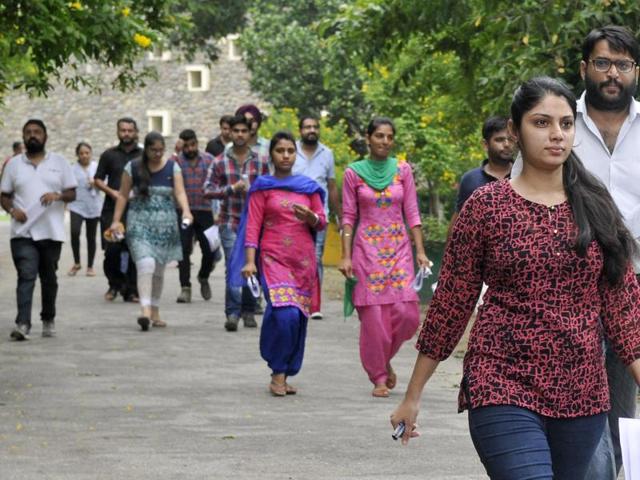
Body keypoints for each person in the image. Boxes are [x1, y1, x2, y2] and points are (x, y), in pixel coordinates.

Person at [391, 77, 640, 479]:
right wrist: (412, 395)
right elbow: (452, 304)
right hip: (501, 381)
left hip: (582, 393)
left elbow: (624, 310)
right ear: (515, 129)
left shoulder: (596, 207)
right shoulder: (486, 207)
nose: (556, 134)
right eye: (541, 123)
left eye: (565, 124)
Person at [511, 26, 640, 479]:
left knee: (622, 407)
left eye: (623, 65)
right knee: (576, 405)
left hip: (632, 290)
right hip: (568, 289)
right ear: (585, 68)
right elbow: (519, 197)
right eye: (603, 63)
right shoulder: (557, 119)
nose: (613, 74)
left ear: (635, 71)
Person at [339, 117, 430, 398]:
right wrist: (345, 256)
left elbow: (412, 212)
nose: (385, 141)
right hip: (366, 251)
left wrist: (420, 251)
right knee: (374, 318)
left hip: (399, 249)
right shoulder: (353, 173)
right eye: (379, 136)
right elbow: (348, 217)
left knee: (408, 315)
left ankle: (384, 358)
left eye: (389, 137)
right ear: (368, 138)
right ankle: (378, 375)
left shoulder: (402, 170)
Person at [232, 131, 326, 396]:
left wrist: (311, 217)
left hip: (303, 262)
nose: (285, 156)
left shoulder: (309, 188)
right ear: (271, 155)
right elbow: (253, 226)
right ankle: (277, 370)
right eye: (280, 151)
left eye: (290, 151)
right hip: (273, 259)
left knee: (297, 317)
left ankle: (285, 370)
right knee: (284, 314)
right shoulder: (263, 187)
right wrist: (249, 262)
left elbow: (322, 222)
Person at [0, 119, 77, 340]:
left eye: (37, 132)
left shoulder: (60, 162)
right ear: (23, 137)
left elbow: (72, 193)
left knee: (49, 278)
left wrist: (58, 196)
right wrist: (12, 210)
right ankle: (22, 324)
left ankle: (48, 318)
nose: (33, 136)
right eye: (28, 133)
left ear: (45, 136)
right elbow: (4, 196)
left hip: (51, 232)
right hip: (22, 232)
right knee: (26, 275)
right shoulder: (14, 165)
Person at [108, 132, 192, 331]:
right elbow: (122, 195)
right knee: (146, 263)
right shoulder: (133, 167)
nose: (157, 154)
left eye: (161, 150)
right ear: (146, 149)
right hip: (139, 223)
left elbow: (180, 192)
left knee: (159, 270)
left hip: (165, 225)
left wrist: (186, 211)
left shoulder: (173, 167)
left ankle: (155, 309)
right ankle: (144, 310)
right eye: (153, 150)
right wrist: (115, 221)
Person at [203, 115, 270, 331]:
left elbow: (271, 188)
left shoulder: (260, 160)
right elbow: (207, 190)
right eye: (236, 131)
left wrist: (256, 192)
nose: (240, 134)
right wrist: (231, 189)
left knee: (252, 265)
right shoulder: (220, 161)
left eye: (244, 131)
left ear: (250, 133)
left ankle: (249, 311)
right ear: (229, 133)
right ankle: (232, 312)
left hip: (255, 222)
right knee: (233, 266)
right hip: (230, 221)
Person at [293, 115, 342, 320]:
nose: (311, 130)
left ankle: (314, 305)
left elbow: (331, 186)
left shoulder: (327, 153)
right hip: (293, 215)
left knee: (316, 256)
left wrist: (338, 216)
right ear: (300, 130)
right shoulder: (290, 151)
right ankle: (295, 298)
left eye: (315, 127)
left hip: (319, 215)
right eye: (307, 127)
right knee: (295, 257)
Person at [172, 129, 221, 303]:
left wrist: (217, 211)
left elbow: (217, 184)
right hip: (183, 211)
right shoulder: (176, 161)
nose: (190, 148)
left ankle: (203, 276)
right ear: (181, 145)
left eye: (192, 144)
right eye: (186, 145)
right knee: (184, 250)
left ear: (197, 143)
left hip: (205, 211)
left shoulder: (208, 160)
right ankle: (185, 287)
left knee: (210, 250)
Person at [94, 117, 142, 302]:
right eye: (123, 130)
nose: (127, 134)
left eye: (130, 130)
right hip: (111, 210)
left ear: (136, 132)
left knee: (133, 250)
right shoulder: (109, 155)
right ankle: (114, 284)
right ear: (118, 132)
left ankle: (131, 290)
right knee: (112, 250)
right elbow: (98, 179)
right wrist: (112, 192)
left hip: (136, 210)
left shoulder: (142, 155)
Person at [67, 142, 102, 277]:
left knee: (91, 236)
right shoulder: (72, 169)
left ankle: (90, 266)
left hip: (93, 205)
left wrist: (96, 183)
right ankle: (77, 262)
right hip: (76, 205)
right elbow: (67, 186)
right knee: (74, 232)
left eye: (87, 153)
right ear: (77, 155)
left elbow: (105, 183)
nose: (84, 155)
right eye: (81, 153)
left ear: (91, 154)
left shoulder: (97, 167)